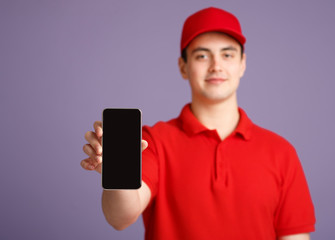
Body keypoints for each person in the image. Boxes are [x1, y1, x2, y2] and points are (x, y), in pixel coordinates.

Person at [80, 7, 316, 240]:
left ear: (242, 63)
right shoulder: (152, 141)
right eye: (202, 55)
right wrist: (117, 173)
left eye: (227, 54)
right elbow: (120, 218)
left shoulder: (281, 151)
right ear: (183, 67)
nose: (216, 66)